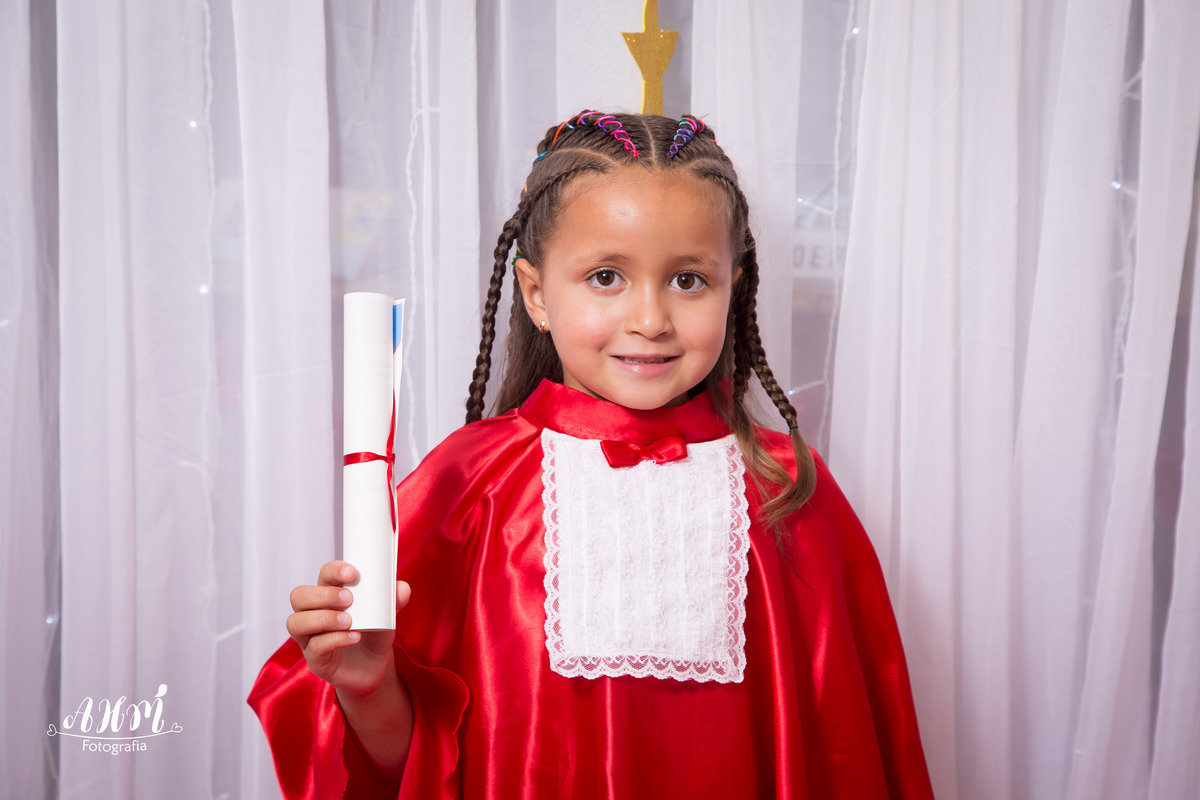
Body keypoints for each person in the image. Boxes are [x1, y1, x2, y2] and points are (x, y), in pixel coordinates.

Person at [249, 111, 934, 799]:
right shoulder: (466, 485)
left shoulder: (785, 490)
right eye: (606, 277)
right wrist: (368, 687)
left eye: (688, 280)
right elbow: (414, 769)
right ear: (537, 294)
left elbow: (847, 752)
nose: (650, 320)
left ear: (734, 285)